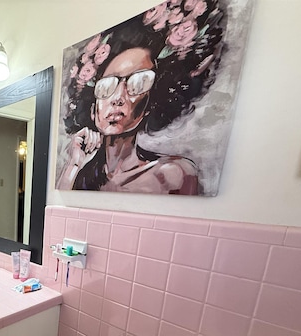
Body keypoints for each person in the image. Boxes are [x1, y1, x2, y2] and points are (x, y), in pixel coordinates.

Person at [56, 0, 225, 194]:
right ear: (93, 109)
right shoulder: (82, 173)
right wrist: (73, 165)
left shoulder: (173, 174)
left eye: (138, 83)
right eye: (106, 86)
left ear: (152, 102)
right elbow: (62, 204)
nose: (118, 98)